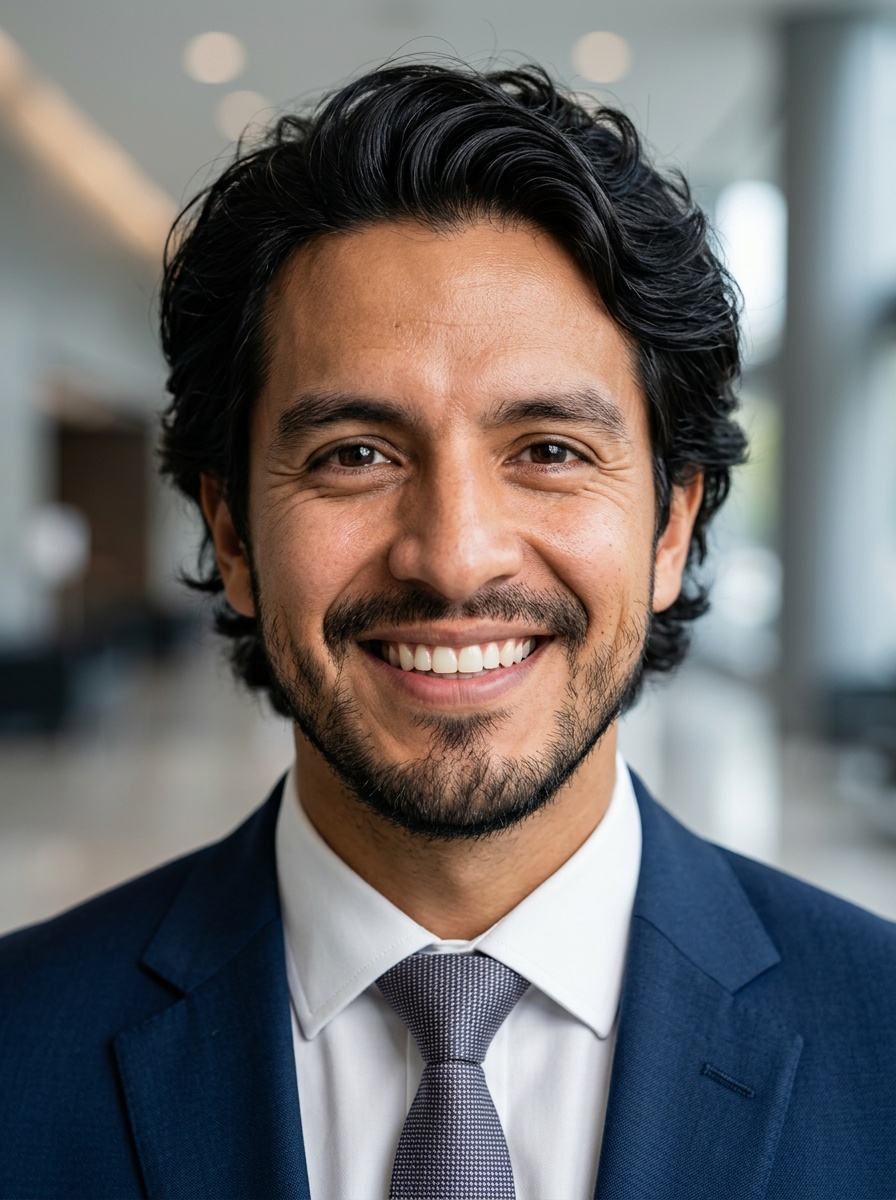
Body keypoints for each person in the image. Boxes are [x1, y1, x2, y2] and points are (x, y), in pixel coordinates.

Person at [0, 61, 893, 1200]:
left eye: (548, 451)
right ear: (229, 532)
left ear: (670, 528)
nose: (455, 553)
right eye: (354, 455)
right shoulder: (19, 1051)